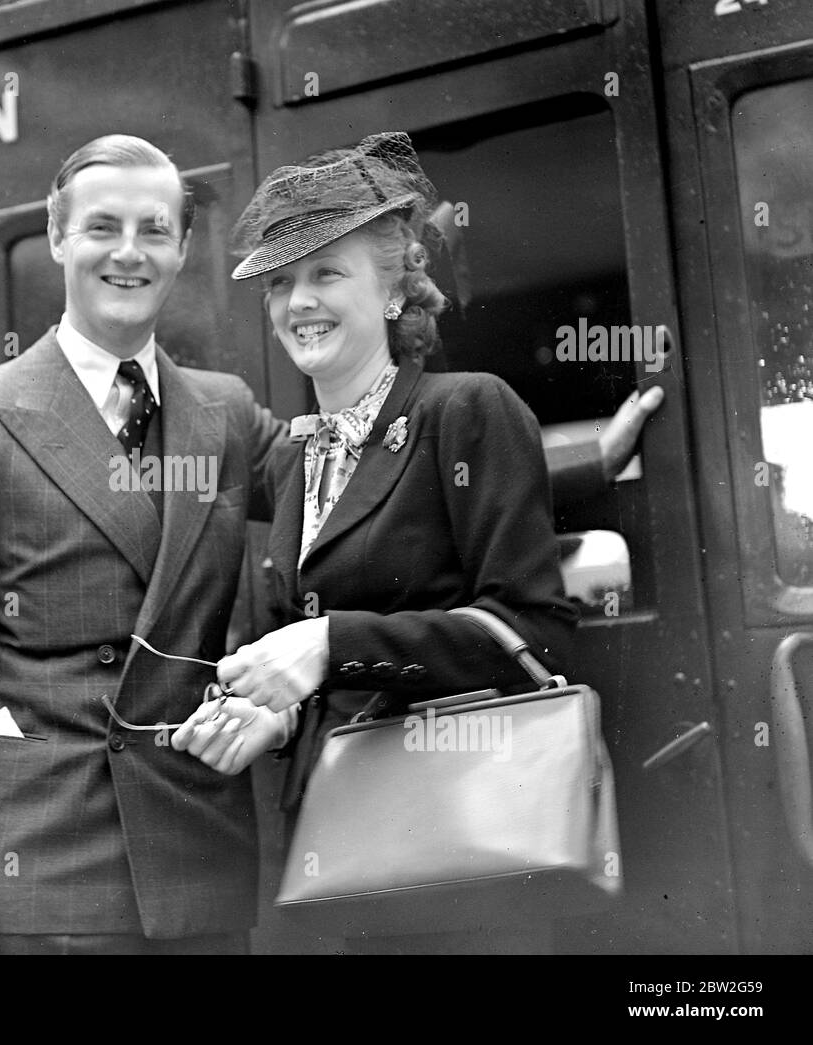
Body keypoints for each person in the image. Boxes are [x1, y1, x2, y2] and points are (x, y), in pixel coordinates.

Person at [170, 133, 582, 952]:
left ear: (394, 293)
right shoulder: (295, 457)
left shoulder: (466, 411)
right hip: (349, 863)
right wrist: (276, 721)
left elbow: (531, 635)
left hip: (471, 869)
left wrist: (327, 645)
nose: (299, 302)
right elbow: (343, 677)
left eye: (328, 273)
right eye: (281, 282)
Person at [0, 134, 288, 955]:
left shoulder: (226, 411)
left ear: (180, 250)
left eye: (154, 230)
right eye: (103, 227)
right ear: (59, 236)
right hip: (43, 879)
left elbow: (361, 481)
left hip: (196, 875)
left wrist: (581, 452)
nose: (128, 253)